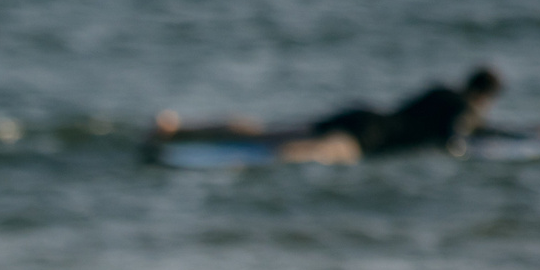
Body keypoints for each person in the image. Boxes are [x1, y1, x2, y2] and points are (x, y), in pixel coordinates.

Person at [149, 66, 504, 165]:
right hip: (370, 137)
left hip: (363, 114)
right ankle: (260, 162)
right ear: (485, 96)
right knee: (319, 152)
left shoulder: (440, 90)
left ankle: (179, 128)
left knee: (264, 131)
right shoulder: (464, 108)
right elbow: (456, 139)